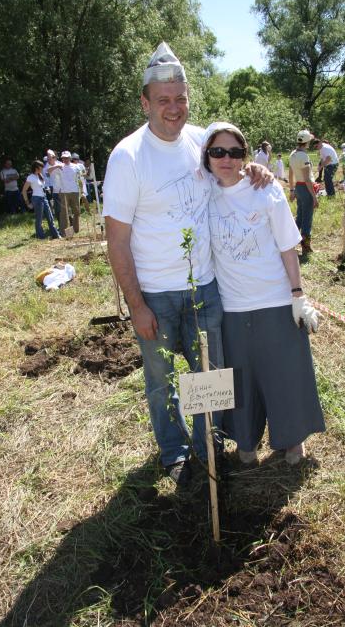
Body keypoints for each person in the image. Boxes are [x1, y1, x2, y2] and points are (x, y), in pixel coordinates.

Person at [103, 42, 271, 486]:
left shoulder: (202, 141)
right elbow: (116, 240)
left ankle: (207, 447)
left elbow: (231, 168)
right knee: (162, 380)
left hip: (205, 290)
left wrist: (255, 170)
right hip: (155, 294)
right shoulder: (127, 157)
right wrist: (136, 305)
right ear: (145, 102)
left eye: (180, 98)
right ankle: (175, 452)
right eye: (163, 100)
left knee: (210, 374)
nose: (173, 108)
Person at [202, 122, 325, 466]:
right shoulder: (202, 192)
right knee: (240, 378)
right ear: (207, 156)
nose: (226, 159)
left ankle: (292, 440)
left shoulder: (265, 190)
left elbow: (288, 246)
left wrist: (298, 294)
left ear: (245, 155)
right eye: (217, 151)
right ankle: (245, 440)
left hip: (274, 298)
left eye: (235, 152)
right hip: (231, 305)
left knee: (284, 372)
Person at [289, 130, 319, 255]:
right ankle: (306, 247)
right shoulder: (304, 156)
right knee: (307, 218)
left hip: (298, 187)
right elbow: (307, 179)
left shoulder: (292, 155)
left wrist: (292, 190)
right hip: (306, 188)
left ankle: (289, 242)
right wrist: (314, 197)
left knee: (300, 216)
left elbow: (290, 174)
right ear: (306, 142)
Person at [21, 161, 60, 239]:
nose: (42, 168)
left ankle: (56, 234)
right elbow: (24, 191)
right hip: (37, 199)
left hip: (44, 198)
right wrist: (27, 203)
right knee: (39, 219)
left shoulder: (40, 175)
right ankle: (40, 236)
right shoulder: (30, 177)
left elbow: (42, 185)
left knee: (50, 216)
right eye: (41, 167)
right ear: (36, 168)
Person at [50, 150, 80, 234]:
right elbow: (48, 172)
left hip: (75, 191)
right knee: (64, 213)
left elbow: (81, 178)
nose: (65, 160)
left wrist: (82, 191)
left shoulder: (76, 166)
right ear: (62, 159)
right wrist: (56, 167)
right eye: (63, 158)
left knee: (76, 212)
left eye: (67, 158)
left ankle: (76, 229)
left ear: (70, 158)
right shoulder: (59, 166)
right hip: (63, 192)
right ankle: (64, 232)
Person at [45, 149, 62, 224]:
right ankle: (60, 223)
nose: (48, 160)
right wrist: (56, 166)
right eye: (47, 159)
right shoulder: (46, 166)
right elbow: (48, 171)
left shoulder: (60, 163)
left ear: (54, 158)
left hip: (62, 188)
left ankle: (68, 222)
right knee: (57, 208)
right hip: (52, 189)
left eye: (50, 158)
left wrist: (58, 165)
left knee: (65, 207)